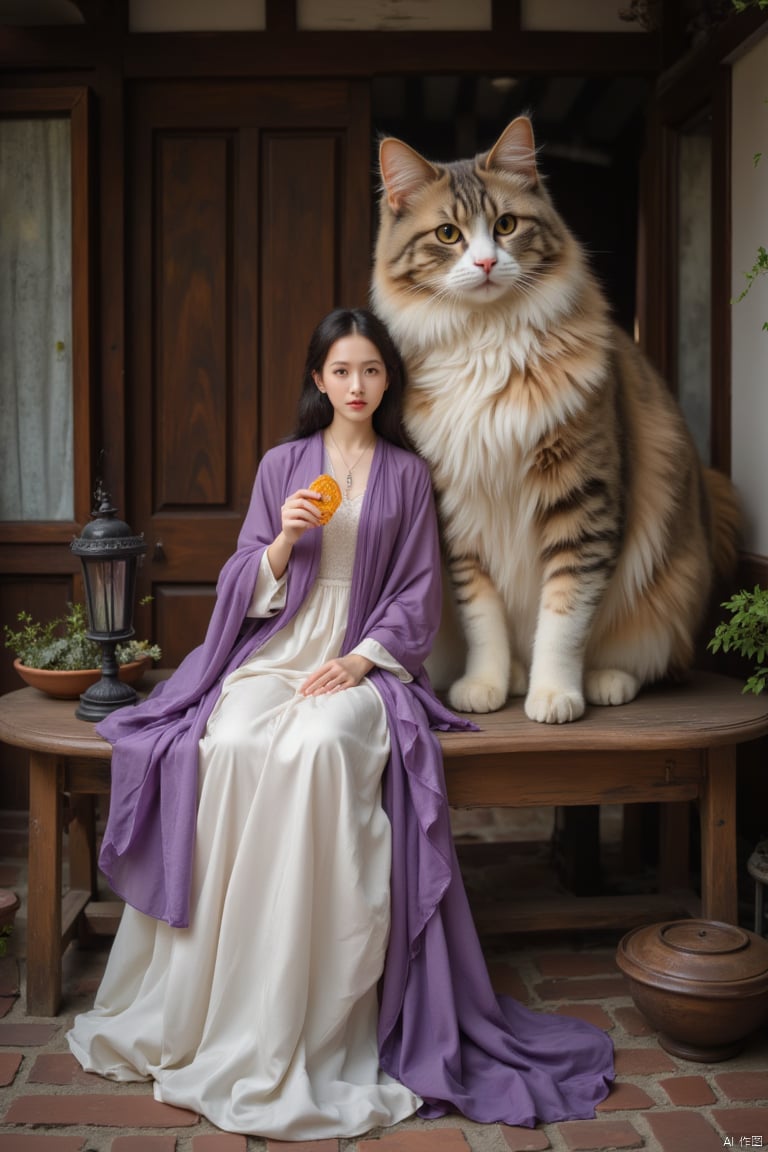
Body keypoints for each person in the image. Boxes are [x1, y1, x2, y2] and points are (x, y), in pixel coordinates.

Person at [68, 308, 614, 1139]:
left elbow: (420, 597)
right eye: (342, 371)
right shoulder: (283, 465)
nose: (357, 386)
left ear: (386, 380)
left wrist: (361, 661)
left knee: (320, 747)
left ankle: (319, 1000)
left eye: (371, 371)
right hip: (278, 650)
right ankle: (224, 994)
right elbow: (243, 581)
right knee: (234, 741)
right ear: (318, 380)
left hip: (362, 666)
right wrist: (282, 542)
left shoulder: (406, 473)